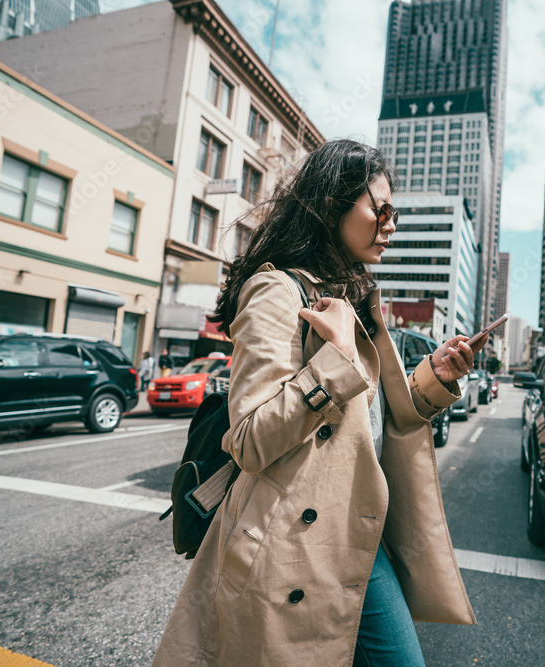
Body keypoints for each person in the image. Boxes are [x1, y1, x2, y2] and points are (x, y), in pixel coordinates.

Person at [153, 139, 482, 667]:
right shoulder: (276, 291)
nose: (391, 225)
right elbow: (250, 439)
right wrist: (333, 362)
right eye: (381, 209)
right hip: (298, 546)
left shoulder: (351, 295)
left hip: (357, 529)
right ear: (334, 204)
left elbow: (369, 416)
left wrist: (433, 378)